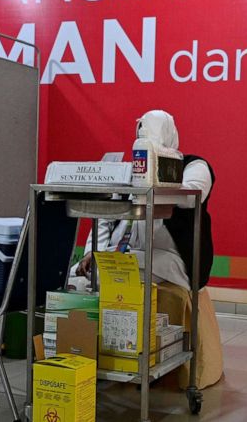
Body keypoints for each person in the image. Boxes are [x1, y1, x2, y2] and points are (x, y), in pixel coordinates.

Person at [75, 109, 214, 290]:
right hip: (124, 252)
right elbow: (105, 217)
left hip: (169, 259)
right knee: (75, 278)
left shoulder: (194, 166)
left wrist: (156, 175)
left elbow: (189, 197)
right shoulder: (130, 171)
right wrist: (92, 252)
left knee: (104, 279)